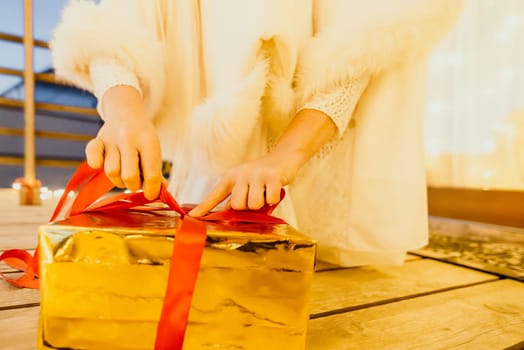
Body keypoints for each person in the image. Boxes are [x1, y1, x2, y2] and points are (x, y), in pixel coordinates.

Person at [51, 0, 463, 266]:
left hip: (325, 165)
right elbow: (119, 22)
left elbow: (366, 42)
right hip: (217, 169)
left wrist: (284, 157)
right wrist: (124, 110)